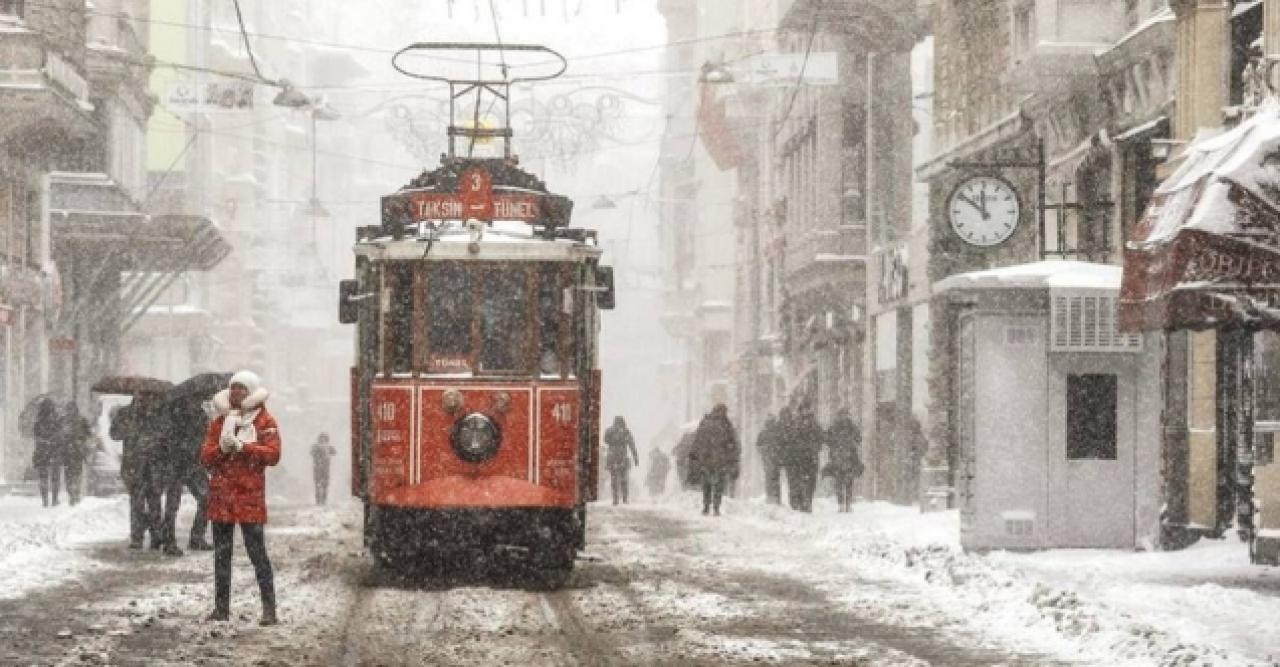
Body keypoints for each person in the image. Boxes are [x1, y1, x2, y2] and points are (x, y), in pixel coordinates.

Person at [200, 370, 281, 625]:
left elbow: (273, 455)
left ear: (251, 391)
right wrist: (222, 449)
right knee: (221, 556)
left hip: (249, 497)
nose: (236, 393)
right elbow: (205, 458)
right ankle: (221, 609)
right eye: (233, 388)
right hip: (222, 497)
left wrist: (244, 447)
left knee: (258, 555)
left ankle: (269, 610)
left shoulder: (265, 421)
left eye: (242, 389)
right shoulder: (219, 422)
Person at [156, 398, 215, 555]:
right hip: (179, 463)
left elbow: (205, 440)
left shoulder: (199, 415)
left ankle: (193, 538)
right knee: (174, 504)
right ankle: (171, 541)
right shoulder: (175, 414)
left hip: (192, 463)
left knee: (206, 499)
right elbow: (165, 440)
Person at [112, 394, 165, 549]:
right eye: (141, 396)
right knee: (137, 502)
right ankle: (137, 537)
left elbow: (165, 437)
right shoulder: (126, 413)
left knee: (154, 501)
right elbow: (114, 434)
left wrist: (156, 441)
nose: (144, 400)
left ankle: (155, 536)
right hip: (133, 465)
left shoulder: (157, 414)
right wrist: (126, 428)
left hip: (153, 465)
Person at [689, 403, 739, 516]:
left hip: (706, 458)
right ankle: (716, 506)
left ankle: (706, 506)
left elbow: (698, 439)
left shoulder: (705, 422)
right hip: (719, 458)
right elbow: (732, 442)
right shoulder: (725, 424)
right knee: (719, 483)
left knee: (706, 482)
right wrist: (732, 457)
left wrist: (695, 455)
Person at [783, 401, 824, 512]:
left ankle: (807, 502)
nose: (805, 411)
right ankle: (799, 502)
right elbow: (788, 438)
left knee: (810, 482)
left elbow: (821, 438)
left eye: (807, 409)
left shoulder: (814, 424)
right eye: (803, 409)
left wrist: (815, 447)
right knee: (797, 481)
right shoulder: (795, 423)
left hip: (810, 458)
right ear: (800, 411)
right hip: (798, 458)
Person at [825, 407, 864, 513]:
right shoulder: (836, 427)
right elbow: (827, 439)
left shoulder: (849, 426)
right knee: (841, 481)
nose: (844, 417)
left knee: (846, 481)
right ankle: (843, 503)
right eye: (843, 415)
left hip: (847, 457)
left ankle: (846, 504)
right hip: (841, 457)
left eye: (846, 415)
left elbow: (859, 439)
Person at [59, 401, 93, 506]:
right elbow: (89, 434)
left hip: (68, 452)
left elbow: (58, 435)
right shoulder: (81, 420)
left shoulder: (63, 420)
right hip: (77, 451)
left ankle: (73, 494)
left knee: (69, 474)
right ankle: (75, 494)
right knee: (76, 474)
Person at [31, 398, 63, 507]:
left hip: (42, 452)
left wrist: (43, 442)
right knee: (55, 477)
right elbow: (60, 435)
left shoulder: (38, 421)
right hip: (54, 451)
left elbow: (36, 436)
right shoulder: (57, 419)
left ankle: (45, 499)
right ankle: (54, 499)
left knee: (43, 477)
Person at [603, 416, 639, 505]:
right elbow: (632, 445)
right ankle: (624, 498)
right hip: (622, 457)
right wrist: (635, 457)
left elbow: (605, 440)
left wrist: (613, 440)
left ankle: (616, 499)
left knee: (614, 479)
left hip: (612, 457)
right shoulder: (626, 432)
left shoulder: (610, 431)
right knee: (624, 479)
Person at [756, 413, 782, 505]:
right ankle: (774, 498)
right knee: (773, 478)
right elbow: (758, 446)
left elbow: (758, 445)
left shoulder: (764, 433)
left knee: (770, 478)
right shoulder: (776, 432)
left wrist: (764, 451)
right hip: (772, 459)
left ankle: (772, 497)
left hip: (770, 459)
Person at [310, 432, 337, 505]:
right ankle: (318, 501)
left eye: (324, 438)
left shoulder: (328, 447)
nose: (323, 440)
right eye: (322, 438)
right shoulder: (316, 446)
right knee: (318, 485)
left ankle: (324, 501)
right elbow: (312, 453)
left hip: (325, 469)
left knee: (324, 485)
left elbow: (334, 452)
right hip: (318, 469)